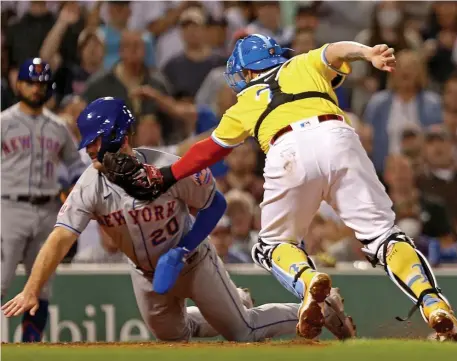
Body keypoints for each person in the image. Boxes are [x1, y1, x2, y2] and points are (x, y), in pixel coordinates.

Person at [102, 34, 457, 341]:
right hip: (337, 135)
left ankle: (308, 281)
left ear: (247, 70)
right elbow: (335, 50)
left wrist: (166, 175)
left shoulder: (244, 104)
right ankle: (432, 301)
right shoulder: (302, 64)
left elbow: (208, 150)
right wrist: (366, 52)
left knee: (272, 245)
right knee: (382, 235)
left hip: (287, 150)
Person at [1, 97, 355, 342]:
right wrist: (32, 289)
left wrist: (184, 248)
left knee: (242, 331)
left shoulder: (169, 167)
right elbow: (60, 237)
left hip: (193, 260)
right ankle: (237, 299)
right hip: (146, 274)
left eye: (94, 142)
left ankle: (324, 305)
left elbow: (214, 205)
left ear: (115, 137)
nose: (89, 150)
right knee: (172, 336)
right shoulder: (90, 186)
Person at [1, 58, 86, 342]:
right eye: (30, 83)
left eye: (41, 84)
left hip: (48, 209)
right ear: (19, 85)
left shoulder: (58, 127)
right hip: (9, 208)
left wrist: (74, 188)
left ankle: (31, 346)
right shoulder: (4, 122)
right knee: (1, 281)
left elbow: (76, 167)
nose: (36, 89)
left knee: (41, 285)